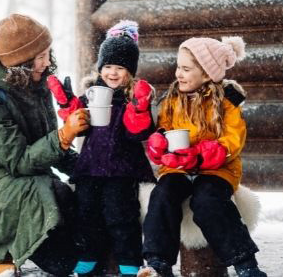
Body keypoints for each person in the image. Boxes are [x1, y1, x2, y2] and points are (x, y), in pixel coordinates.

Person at [0, 14, 89, 277]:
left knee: (71, 204)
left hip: (28, 178)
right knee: (59, 257)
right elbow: (19, 160)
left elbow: (50, 149)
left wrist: (90, 168)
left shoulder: (36, 85)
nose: (47, 62)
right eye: (39, 57)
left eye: (48, 53)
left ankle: (23, 243)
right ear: (20, 63)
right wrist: (63, 136)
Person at [138, 36, 267, 277]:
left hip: (216, 170)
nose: (178, 73)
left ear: (207, 74)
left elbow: (232, 141)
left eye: (186, 69)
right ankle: (157, 264)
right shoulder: (172, 100)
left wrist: (198, 157)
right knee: (162, 194)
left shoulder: (226, 103)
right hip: (177, 168)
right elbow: (164, 128)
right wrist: (160, 143)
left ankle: (245, 264)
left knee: (207, 201)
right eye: (178, 67)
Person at [48, 20, 156, 276]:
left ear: (130, 71)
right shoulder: (92, 94)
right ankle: (87, 256)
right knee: (86, 213)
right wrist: (66, 102)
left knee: (121, 216)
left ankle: (130, 263)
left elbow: (137, 131)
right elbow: (79, 121)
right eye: (108, 66)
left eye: (120, 67)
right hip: (90, 168)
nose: (113, 73)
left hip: (122, 170)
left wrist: (139, 107)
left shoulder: (133, 98)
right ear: (100, 68)